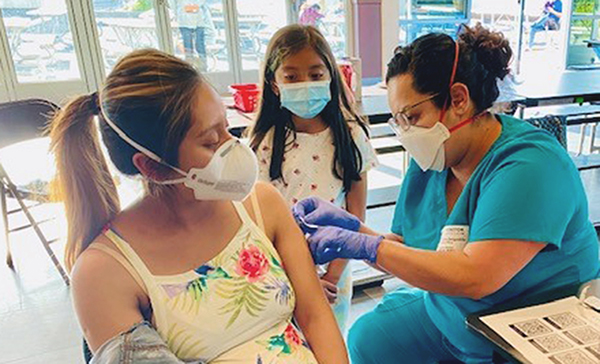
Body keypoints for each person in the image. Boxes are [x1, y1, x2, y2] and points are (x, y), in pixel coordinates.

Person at [293, 24, 600, 363]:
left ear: (458, 100)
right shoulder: (434, 161)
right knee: (369, 338)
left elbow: (476, 276)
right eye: (399, 121)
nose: (405, 133)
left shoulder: (530, 165)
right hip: (454, 311)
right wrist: (353, 231)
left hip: (528, 321)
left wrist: (365, 245)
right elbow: (405, 252)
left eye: (412, 116)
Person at [49, 49, 347, 363]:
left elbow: (315, 315)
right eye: (209, 141)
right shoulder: (105, 272)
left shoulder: (262, 206)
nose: (232, 147)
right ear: (152, 166)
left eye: (226, 128)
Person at [250, 24, 378, 334]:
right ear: (275, 84)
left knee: (331, 338)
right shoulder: (265, 142)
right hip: (282, 270)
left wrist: (331, 277)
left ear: (331, 77)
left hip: (336, 264)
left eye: (316, 74)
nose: (305, 83)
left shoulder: (350, 136)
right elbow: (259, 221)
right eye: (291, 76)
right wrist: (297, 279)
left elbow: (355, 213)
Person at [170, 0, 214, 70]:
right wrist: (180, 11)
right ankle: (189, 67)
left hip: (198, 20)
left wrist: (193, 6)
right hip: (184, 20)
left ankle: (203, 66)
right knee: (188, 47)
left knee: (200, 45)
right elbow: (172, 4)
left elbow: (201, 3)